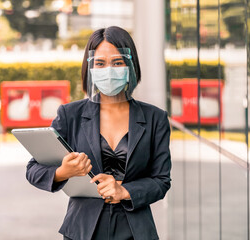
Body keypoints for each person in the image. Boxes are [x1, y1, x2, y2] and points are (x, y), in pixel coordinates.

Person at [26, 26, 172, 240]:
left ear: (130, 66)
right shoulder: (70, 115)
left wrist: (125, 191)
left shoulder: (155, 118)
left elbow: (161, 180)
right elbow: (33, 170)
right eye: (100, 63)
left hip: (135, 232)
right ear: (90, 68)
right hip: (83, 231)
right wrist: (63, 172)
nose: (109, 70)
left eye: (118, 62)